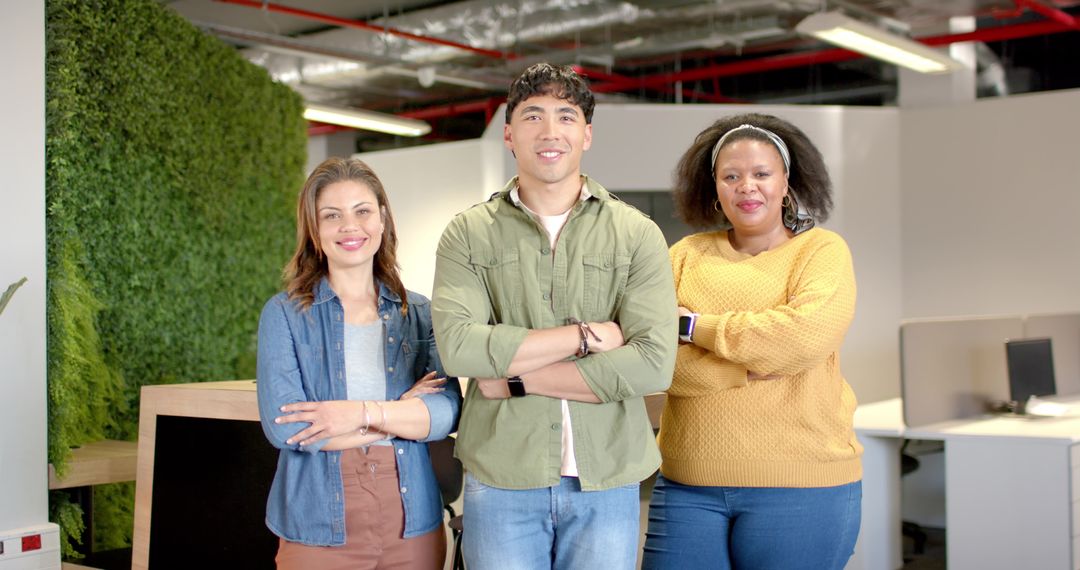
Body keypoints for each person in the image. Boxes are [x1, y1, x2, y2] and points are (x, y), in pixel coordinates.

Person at [430, 63, 677, 570]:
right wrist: (585, 336)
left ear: (586, 134)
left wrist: (517, 380)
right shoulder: (467, 234)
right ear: (508, 135)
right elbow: (460, 348)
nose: (550, 131)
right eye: (533, 116)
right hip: (500, 474)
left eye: (566, 116)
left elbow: (653, 364)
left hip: (607, 475)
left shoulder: (637, 234)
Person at [642, 113, 862, 570]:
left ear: (786, 183)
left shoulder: (821, 251)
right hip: (686, 486)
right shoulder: (684, 256)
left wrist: (693, 328)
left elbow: (803, 337)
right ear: (714, 187)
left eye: (762, 173)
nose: (747, 187)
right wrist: (747, 366)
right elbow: (652, 361)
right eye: (731, 176)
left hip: (802, 484)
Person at [256, 157, 462, 570]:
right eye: (332, 215)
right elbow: (288, 428)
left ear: (382, 219)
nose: (350, 227)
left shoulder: (419, 313)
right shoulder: (284, 314)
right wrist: (401, 414)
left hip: (412, 517)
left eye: (362, 211)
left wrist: (356, 414)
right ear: (314, 229)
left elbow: (446, 413)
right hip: (316, 519)